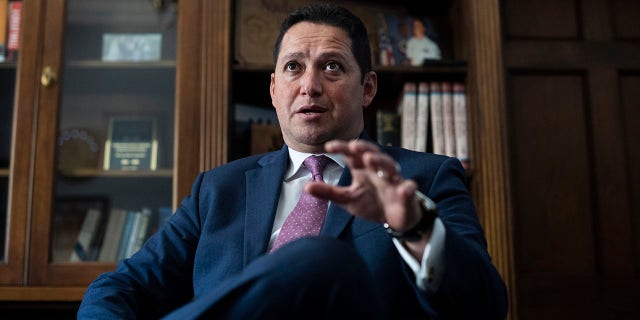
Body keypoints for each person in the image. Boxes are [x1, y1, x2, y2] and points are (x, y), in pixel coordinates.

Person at [78, 3, 508, 319]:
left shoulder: (424, 179)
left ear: (369, 88)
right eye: (293, 67)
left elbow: (485, 307)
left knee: (322, 262)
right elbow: (119, 287)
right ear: (273, 89)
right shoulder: (218, 190)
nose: (309, 86)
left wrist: (414, 224)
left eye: (332, 67)